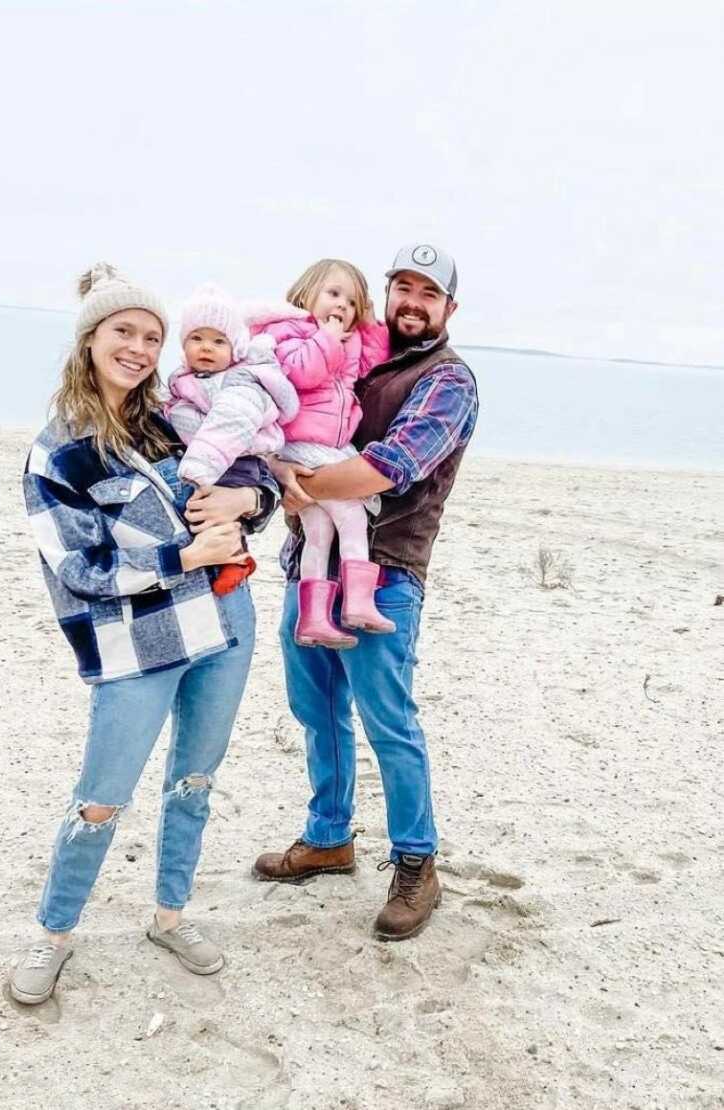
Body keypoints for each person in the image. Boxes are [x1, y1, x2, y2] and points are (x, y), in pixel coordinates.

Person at [9, 264, 278, 1004]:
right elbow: (79, 566)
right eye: (123, 331)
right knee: (103, 796)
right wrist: (183, 556)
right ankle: (54, 932)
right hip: (137, 641)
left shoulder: (174, 415)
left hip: (225, 622)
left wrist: (250, 496)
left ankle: (169, 914)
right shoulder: (57, 450)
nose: (138, 346)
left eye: (151, 336)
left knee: (195, 779)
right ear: (90, 338)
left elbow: (255, 475)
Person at [253, 243, 479, 942]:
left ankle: (417, 864)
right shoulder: (357, 353)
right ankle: (328, 838)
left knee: (390, 724)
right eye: (402, 288)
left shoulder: (449, 380)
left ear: (448, 307)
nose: (412, 302)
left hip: (386, 576)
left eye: (427, 293)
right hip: (308, 568)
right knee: (316, 712)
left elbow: (390, 466)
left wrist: (291, 483)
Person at [249, 259, 393, 649]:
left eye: (352, 302)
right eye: (333, 294)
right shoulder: (290, 332)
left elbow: (371, 364)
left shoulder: (348, 338)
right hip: (301, 442)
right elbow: (302, 372)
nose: (341, 307)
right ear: (307, 293)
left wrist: (369, 325)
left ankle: (313, 619)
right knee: (351, 514)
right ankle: (357, 603)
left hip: (330, 446)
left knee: (319, 531)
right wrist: (327, 337)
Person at [163, 283, 299, 595]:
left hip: (237, 461)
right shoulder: (182, 380)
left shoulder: (237, 382)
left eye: (217, 341)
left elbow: (231, 423)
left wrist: (199, 464)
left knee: (213, 509)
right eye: (196, 338)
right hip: (213, 459)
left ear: (234, 349)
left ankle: (236, 559)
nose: (206, 347)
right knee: (205, 511)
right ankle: (232, 556)